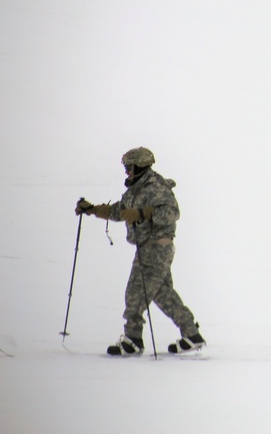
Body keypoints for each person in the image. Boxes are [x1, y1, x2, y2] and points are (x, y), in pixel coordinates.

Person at [75, 147, 205, 356]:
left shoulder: (156, 186)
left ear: (139, 166)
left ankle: (133, 340)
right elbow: (121, 211)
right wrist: (92, 209)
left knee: (135, 293)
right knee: (162, 294)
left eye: (129, 167)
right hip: (149, 247)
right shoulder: (136, 188)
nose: (126, 171)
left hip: (156, 247)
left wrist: (142, 214)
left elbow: (172, 213)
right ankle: (191, 335)